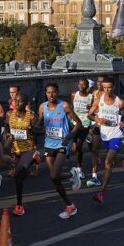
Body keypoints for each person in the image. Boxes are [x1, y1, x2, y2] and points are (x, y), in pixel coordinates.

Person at [86, 77, 124, 204]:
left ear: (113, 87)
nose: (107, 90)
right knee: (112, 159)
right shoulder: (99, 100)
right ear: (102, 87)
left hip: (116, 133)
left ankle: (101, 193)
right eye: (105, 87)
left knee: (108, 163)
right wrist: (97, 120)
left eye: (109, 87)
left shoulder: (119, 102)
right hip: (104, 134)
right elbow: (89, 115)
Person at [37, 83, 82, 219]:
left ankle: (70, 204)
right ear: (46, 94)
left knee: (54, 175)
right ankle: (70, 204)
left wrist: (69, 136)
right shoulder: (42, 107)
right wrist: (33, 126)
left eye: (54, 92)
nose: (51, 95)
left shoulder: (64, 106)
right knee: (54, 178)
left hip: (63, 143)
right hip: (49, 143)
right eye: (49, 93)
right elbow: (40, 123)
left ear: (57, 92)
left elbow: (78, 123)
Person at [3, 94, 40, 216]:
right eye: (16, 101)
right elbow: (6, 129)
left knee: (18, 174)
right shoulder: (9, 114)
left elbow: (38, 132)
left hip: (28, 148)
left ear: (26, 103)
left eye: (20, 101)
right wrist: (7, 137)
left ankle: (19, 205)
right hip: (16, 149)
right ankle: (34, 161)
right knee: (20, 177)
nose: (17, 103)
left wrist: (32, 130)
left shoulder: (31, 116)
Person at [70, 79, 94, 181]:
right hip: (74, 123)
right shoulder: (73, 94)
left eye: (83, 84)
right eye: (79, 84)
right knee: (75, 147)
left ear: (87, 86)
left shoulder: (91, 97)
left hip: (85, 124)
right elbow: (71, 108)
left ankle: (79, 169)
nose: (81, 86)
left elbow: (93, 110)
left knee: (78, 146)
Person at [86, 75, 107, 187]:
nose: (99, 84)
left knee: (101, 152)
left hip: (106, 125)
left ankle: (95, 177)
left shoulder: (110, 96)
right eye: (98, 82)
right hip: (95, 123)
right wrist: (90, 109)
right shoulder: (94, 93)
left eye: (102, 82)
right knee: (91, 146)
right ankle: (95, 176)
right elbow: (91, 109)